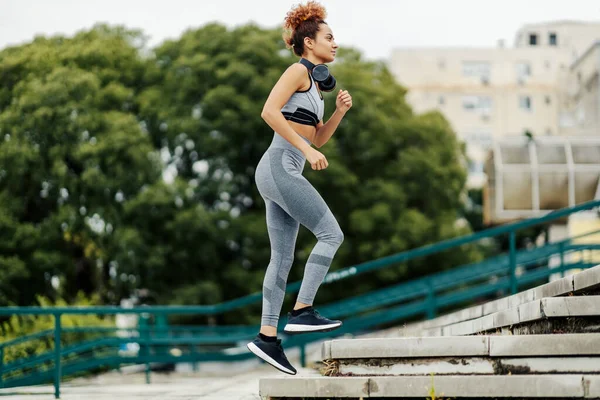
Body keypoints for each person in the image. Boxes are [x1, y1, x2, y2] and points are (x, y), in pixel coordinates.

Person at [246, 0, 353, 375]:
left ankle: (267, 338)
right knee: (331, 233)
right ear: (310, 43)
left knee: (282, 259)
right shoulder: (296, 71)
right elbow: (269, 111)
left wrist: (337, 112)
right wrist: (305, 149)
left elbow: (319, 139)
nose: (335, 43)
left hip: (281, 170)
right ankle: (303, 310)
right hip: (280, 166)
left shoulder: (317, 89)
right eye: (329, 37)